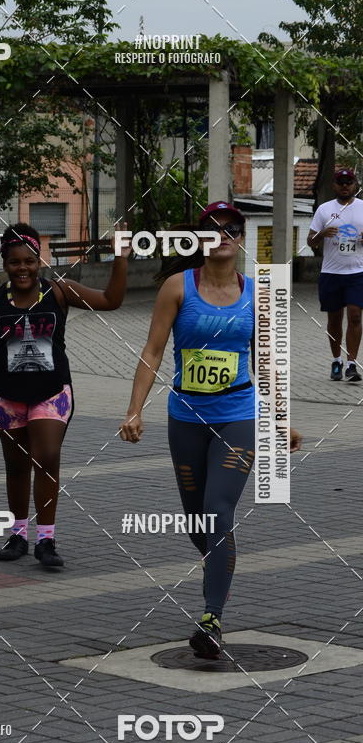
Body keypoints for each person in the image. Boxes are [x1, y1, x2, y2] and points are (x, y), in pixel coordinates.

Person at [120, 201, 302, 659]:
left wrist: (280, 421)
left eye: (229, 229)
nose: (220, 235)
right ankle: (218, 565)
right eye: (211, 228)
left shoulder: (258, 294)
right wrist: (134, 410)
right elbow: (154, 351)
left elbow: (269, 364)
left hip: (239, 415)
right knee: (198, 520)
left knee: (218, 510)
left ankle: (211, 618)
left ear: (241, 238)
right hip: (185, 418)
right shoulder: (176, 287)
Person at [0, 223, 130, 568]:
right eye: (14, 262)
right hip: (6, 394)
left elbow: (111, 301)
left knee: (47, 457)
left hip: (50, 393)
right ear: (5, 264)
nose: (22, 268)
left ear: (39, 261)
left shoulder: (59, 291)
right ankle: (18, 535)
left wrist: (120, 258)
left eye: (29, 261)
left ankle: (46, 540)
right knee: (16, 466)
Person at [307, 168, 363, 382]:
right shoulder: (324, 209)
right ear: (334, 185)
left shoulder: (362, 208)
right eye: (341, 182)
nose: (345, 185)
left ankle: (351, 364)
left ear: (355, 185)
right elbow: (310, 241)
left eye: (349, 182)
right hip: (331, 272)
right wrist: (321, 234)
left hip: (358, 272)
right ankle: (336, 360)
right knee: (334, 319)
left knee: (356, 315)